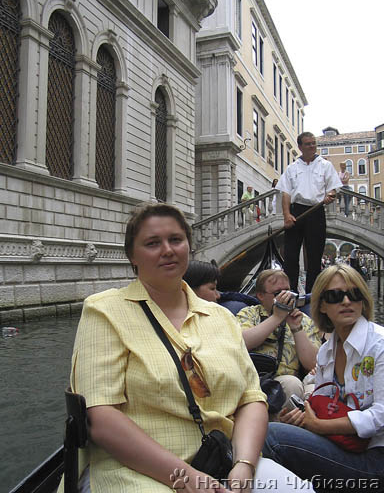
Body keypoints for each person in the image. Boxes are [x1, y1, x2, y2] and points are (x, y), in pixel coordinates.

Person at [63, 202, 312, 493]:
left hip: (222, 457)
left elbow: (251, 399)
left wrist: (244, 465)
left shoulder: (220, 317)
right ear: (132, 256)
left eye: (176, 240)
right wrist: (187, 477)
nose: (167, 250)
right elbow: (100, 416)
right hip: (135, 469)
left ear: (188, 248)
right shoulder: (104, 311)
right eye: (153, 243)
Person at [263, 264, 384, 492]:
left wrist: (319, 426)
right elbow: (321, 399)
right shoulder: (328, 350)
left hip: (376, 457)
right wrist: (303, 417)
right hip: (345, 447)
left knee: (272, 436)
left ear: (363, 301)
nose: (347, 301)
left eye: (354, 294)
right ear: (323, 306)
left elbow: (381, 415)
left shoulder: (379, 344)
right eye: (336, 296)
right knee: (269, 428)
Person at [236, 269, 322, 413]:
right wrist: (277, 317)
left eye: (287, 291)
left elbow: (313, 364)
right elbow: (241, 343)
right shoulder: (249, 314)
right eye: (278, 294)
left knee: (293, 384)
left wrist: (296, 328)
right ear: (261, 296)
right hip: (253, 379)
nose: (285, 297)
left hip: (288, 383)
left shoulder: (304, 321)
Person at [276, 132, 342, 293]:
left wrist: (330, 196)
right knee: (291, 257)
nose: (312, 146)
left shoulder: (325, 165)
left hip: (316, 211)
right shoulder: (292, 168)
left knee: (314, 256)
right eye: (308, 144)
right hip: (296, 211)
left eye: (313, 143)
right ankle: (291, 293)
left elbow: (333, 188)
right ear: (300, 147)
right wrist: (286, 215)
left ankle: (312, 294)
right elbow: (286, 193)